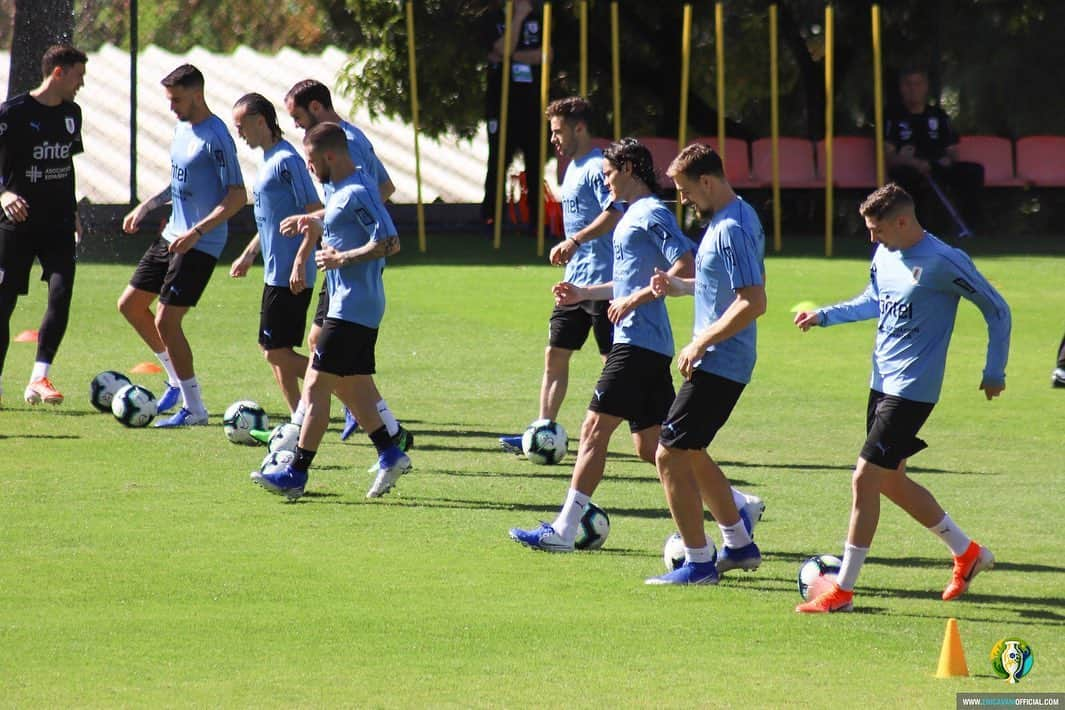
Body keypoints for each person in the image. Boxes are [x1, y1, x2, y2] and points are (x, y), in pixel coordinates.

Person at [793, 183, 1010, 613]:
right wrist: (825, 316)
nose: (871, 238)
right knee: (889, 480)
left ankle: (843, 590)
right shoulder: (885, 254)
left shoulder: (945, 261)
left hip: (913, 389)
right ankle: (967, 553)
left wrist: (993, 371)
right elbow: (874, 300)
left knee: (864, 479)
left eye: (876, 229)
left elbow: (998, 309)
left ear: (903, 221)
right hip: (881, 382)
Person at [507, 138, 701, 552]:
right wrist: (585, 293)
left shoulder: (650, 212)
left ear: (629, 168)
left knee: (594, 428)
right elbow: (632, 281)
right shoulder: (632, 214)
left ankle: (563, 529)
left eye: (609, 174)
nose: (606, 182)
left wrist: (635, 300)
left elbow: (685, 264)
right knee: (656, 446)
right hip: (644, 343)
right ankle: (736, 508)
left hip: (638, 343)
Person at [252, 122, 409, 500]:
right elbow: (342, 217)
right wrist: (314, 220)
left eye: (310, 160)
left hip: (354, 304)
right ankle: (390, 453)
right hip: (347, 303)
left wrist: (342, 258)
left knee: (317, 385)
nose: (308, 168)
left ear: (330, 156)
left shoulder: (356, 189)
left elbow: (390, 241)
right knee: (348, 384)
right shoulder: (339, 188)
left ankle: (297, 472)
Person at [644, 144, 768, 585]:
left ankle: (698, 563)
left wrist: (700, 343)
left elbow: (753, 302)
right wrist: (679, 286)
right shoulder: (728, 220)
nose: (683, 201)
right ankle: (739, 544)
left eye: (684, 190)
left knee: (668, 453)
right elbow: (721, 284)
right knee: (691, 452)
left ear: (707, 182)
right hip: (719, 356)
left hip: (721, 359)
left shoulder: (731, 227)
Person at [281, 79, 410, 452]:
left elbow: (375, 196)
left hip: (352, 269)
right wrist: (323, 221)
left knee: (327, 362)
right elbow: (380, 189)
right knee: (331, 354)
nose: (297, 126)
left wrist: (349, 242)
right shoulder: (344, 139)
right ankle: (386, 435)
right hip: (343, 262)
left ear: (317, 108)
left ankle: (298, 439)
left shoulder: (342, 146)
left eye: (299, 117)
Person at [119, 64, 246, 427]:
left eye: (176, 99)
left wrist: (198, 232)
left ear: (197, 94)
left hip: (201, 242)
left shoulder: (217, 136)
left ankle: (195, 408)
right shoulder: (181, 129)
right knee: (130, 305)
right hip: (172, 233)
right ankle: (175, 380)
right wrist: (146, 206)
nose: (172, 106)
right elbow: (178, 184)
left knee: (167, 320)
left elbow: (237, 196)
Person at [498, 97, 620, 454]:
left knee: (612, 365)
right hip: (574, 280)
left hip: (603, 283)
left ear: (578, 128)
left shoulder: (599, 166)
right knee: (555, 354)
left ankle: (636, 432)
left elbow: (615, 212)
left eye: (557, 131)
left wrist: (575, 240)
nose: (553, 139)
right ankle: (542, 431)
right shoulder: (571, 167)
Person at [0, 45, 87, 408]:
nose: (82, 84)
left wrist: (75, 211)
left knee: (60, 293)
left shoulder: (72, 113)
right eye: (79, 76)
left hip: (58, 224)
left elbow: (66, 166)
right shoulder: (12, 113)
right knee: (3, 305)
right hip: (15, 225)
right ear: (58, 73)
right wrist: (3, 194)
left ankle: (39, 378)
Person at [228, 93, 322, 415]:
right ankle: (299, 415)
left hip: (292, 273)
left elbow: (314, 212)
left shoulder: (287, 161)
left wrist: (300, 259)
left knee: (274, 352)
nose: (239, 132)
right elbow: (272, 220)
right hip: (274, 270)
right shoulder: (266, 159)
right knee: (275, 349)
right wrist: (249, 254)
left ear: (259, 122)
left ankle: (343, 387)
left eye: (241, 125)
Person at [884, 66, 983, 236]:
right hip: (909, 167)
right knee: (906, 178)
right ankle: (914, 232)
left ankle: (971, 227)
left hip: (937, 165)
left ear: (926, 87)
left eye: (918, 84)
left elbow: (951, 150)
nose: (913, 89)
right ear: (901, 87)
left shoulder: (939, 115)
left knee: (972, 172)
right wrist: (913, 162)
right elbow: (889, 156)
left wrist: (947, 159)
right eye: (909, 84)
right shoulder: (893, 116)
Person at [482, 0, 544, 236]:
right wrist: (516, 18)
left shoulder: (538, 18)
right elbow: (499, 48)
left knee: (535, 163)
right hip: (500, 104)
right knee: (498, 161)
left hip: (531, 105)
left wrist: (510, 55)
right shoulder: (493, 18)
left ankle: (537, 223)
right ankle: (492, 219)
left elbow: (545, 54)